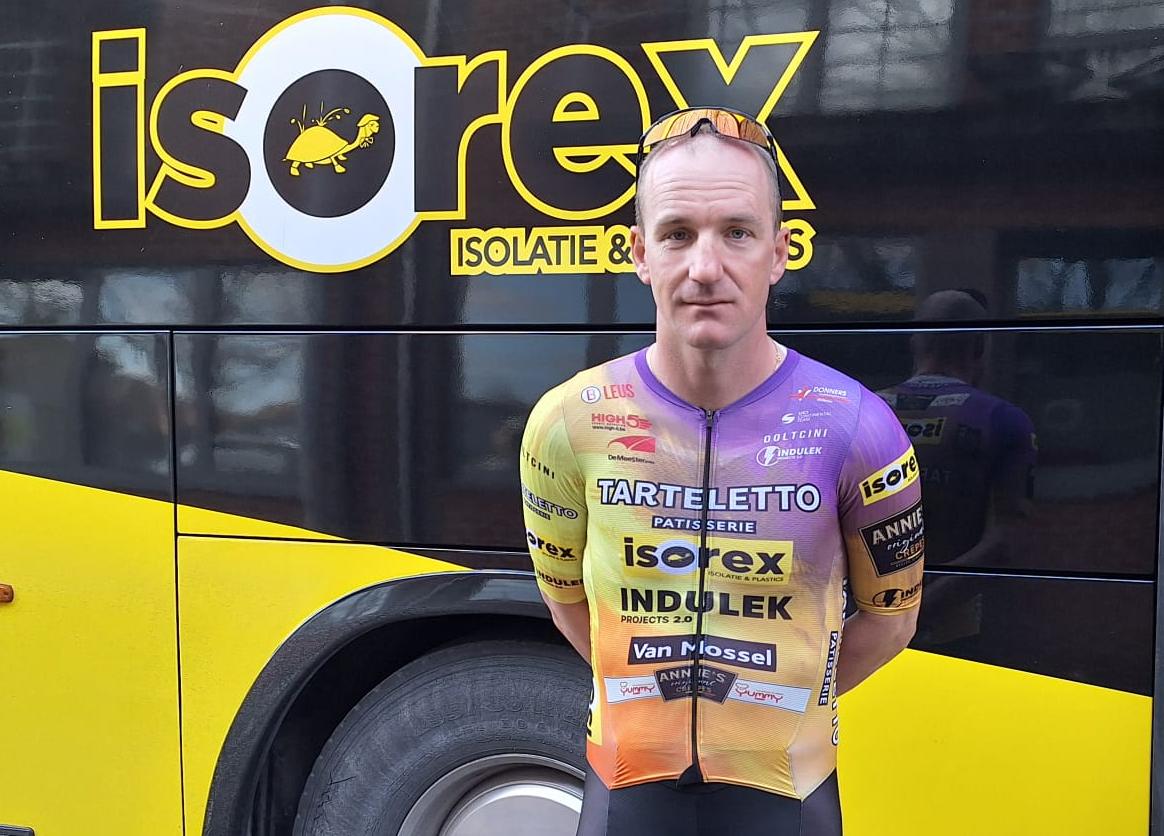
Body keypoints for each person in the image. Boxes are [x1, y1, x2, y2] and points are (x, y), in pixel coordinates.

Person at [519, 107, 924, 836]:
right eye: (678, 234)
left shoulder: (858, 427)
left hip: (786, 793)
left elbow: (892, 621)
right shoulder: (567, 422)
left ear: (780, 251)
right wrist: (655, 703)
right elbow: (567, 600)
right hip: (627, 786)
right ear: (641, 253)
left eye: (737, 232)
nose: (706, 268)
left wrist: (773, 712)